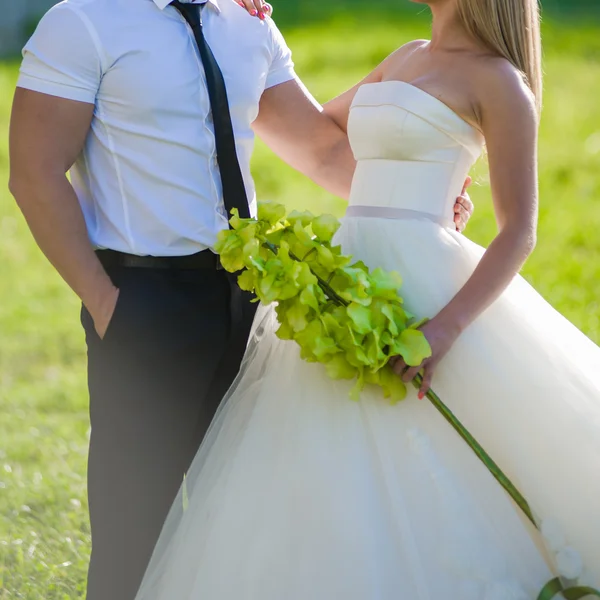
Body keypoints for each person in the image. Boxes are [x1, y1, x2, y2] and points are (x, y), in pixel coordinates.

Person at [132, 0, 600, 598]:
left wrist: (444, 329)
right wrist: (246, 24)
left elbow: (519, 232)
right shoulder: (406, 56)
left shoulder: (498, 80)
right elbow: (324, 130)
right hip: (352, 273)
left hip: (424, 283)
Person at [8, 0, 474, 598]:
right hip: (144, 301)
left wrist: (427, 205)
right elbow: (34, 171)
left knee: (240, 518)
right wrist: (105, 301)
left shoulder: (247, 22)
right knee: (136, 530)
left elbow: (322, 150)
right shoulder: (84, 20)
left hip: (253, 300)